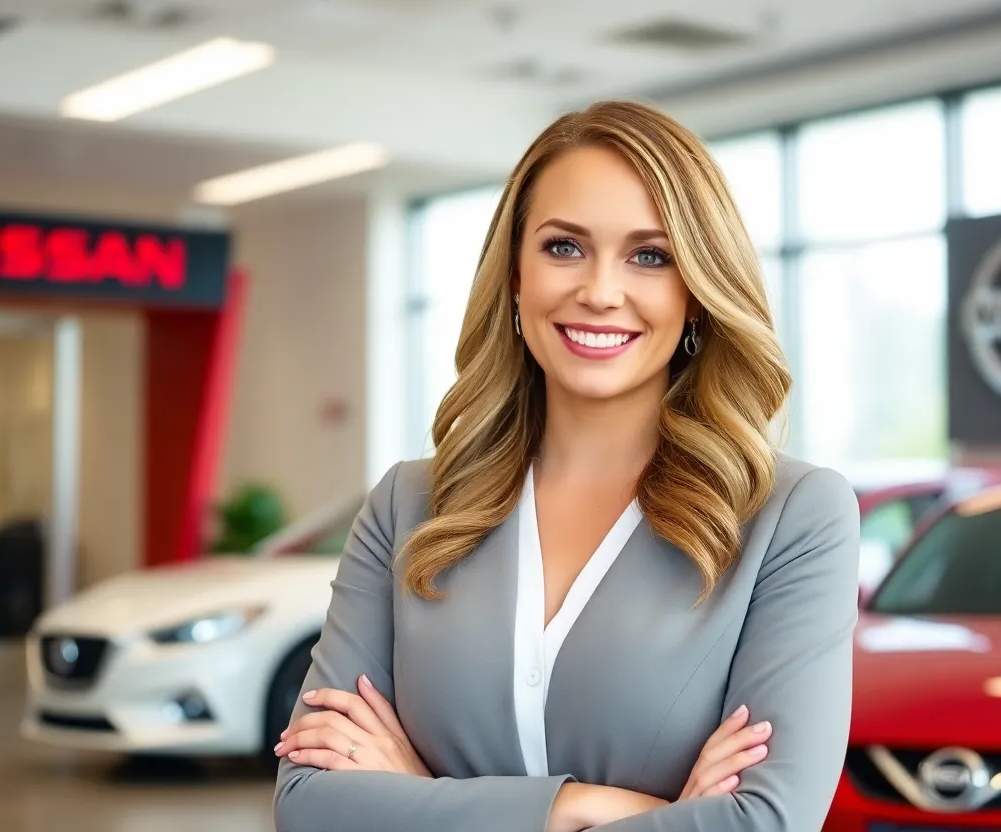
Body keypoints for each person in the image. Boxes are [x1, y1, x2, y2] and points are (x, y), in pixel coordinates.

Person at [273, 99, 860, 832]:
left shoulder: (792, 516)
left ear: (699, 293)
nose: (600, 292)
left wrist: (418, 793)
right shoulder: (409, 507)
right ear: (515, 275)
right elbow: (311, 805)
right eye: (563, 247)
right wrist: (600, 810)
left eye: (650, 256)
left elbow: (766, 822)